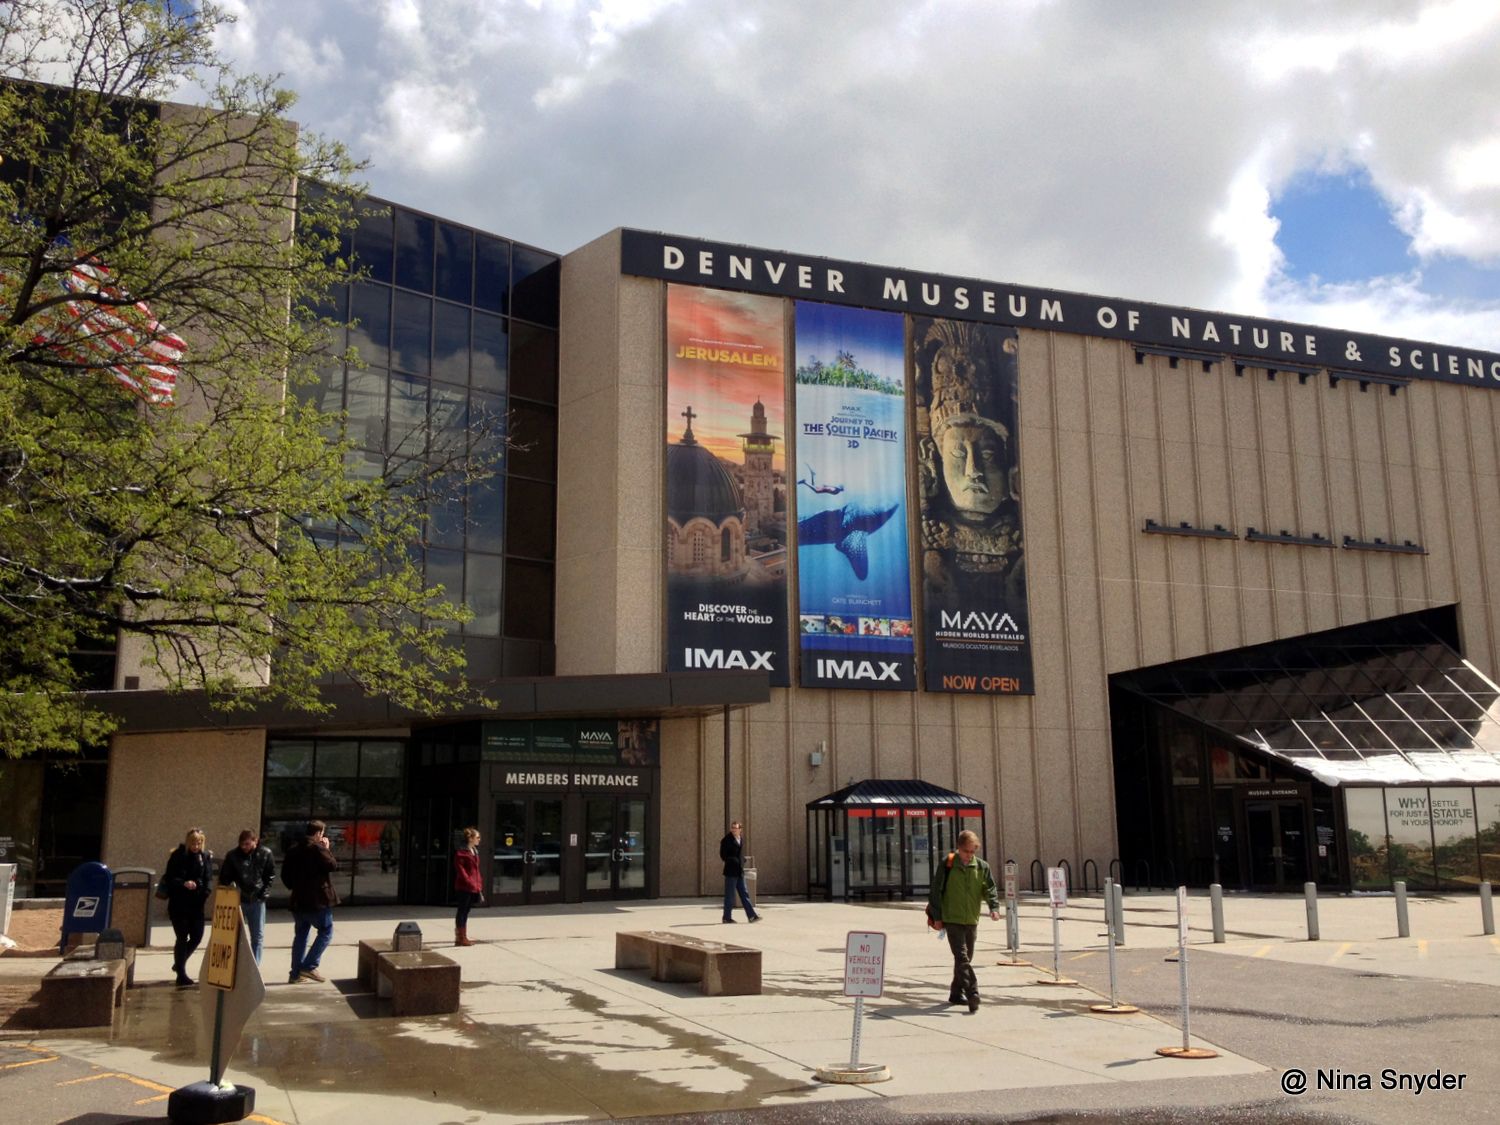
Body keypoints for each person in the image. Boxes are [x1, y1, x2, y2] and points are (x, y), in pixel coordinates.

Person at [926, 829, 1000, 1013]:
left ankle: (955, 992)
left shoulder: (982, 867)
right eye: (966, 851)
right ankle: (972, 993)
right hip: (952, 919)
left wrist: (994, 907)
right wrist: (937, 917)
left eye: (972, 852)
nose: (969, 855)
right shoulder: (948, 865)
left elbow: (989, 888)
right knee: (962, 957)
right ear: (959, 848)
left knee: (966, 958)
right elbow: (936, 891)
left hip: (971, 919)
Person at [281, 819, 339, 984]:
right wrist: (326, 849)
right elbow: (333, 865)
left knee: (301, 935)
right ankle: (309, 965)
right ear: (318, 834)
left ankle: (295, 974)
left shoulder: (293, 850)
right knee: (326, 931)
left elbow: (285, 876)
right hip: (317, 901)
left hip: (298, 901)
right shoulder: (317, 849)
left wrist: (295, 887)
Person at [162, 827, 214, 987]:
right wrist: (184, 883)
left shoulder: (204, 857)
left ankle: (179, 963)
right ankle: (181, 973)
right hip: (179, 904)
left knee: (197, 937)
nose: (196, 846)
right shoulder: (178, 856)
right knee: (182, 938)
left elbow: (208, 878)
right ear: (188, 842)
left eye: (199, 843)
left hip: (197, 904)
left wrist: (203, 890)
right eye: (193, 843)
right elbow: (170, 878)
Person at [218, 829, 275, 965]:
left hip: (257, 899)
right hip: (239, 899)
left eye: (248, 844)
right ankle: (234, 966)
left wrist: (264, 893)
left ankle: (255, 965)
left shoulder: (265, 853)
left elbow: (270, 876)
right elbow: (224, 877)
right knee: (235, 936)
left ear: (255, 841)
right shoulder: (233, 856)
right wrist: (230, 887)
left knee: (257, 936)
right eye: (242, 844)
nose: (245, 847)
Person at [719, 821, 761, 923]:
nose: (733, 829)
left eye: (735, 828)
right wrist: (733, 861)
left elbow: (740, 854)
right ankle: (726, 917)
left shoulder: (740, 839)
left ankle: (752, 916)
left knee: (744, 894)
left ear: (740, 829)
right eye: (732, 828)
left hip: (739, 871)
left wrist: (742, 860)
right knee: (730, 895)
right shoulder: (726, 840)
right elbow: (723, 855)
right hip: (731, 871)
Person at [453, 827, 483, 946]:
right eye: (477, 837)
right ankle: (460, 937)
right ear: (470, 838)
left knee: (467, 911)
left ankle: (463, 936)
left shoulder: (474, 851)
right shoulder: (461, 853)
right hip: (464, 887)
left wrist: (479, 883)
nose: (479, 840)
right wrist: (469, 881)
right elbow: (461, 871)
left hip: (473, 886)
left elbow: (476, 870)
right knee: (462, 911)